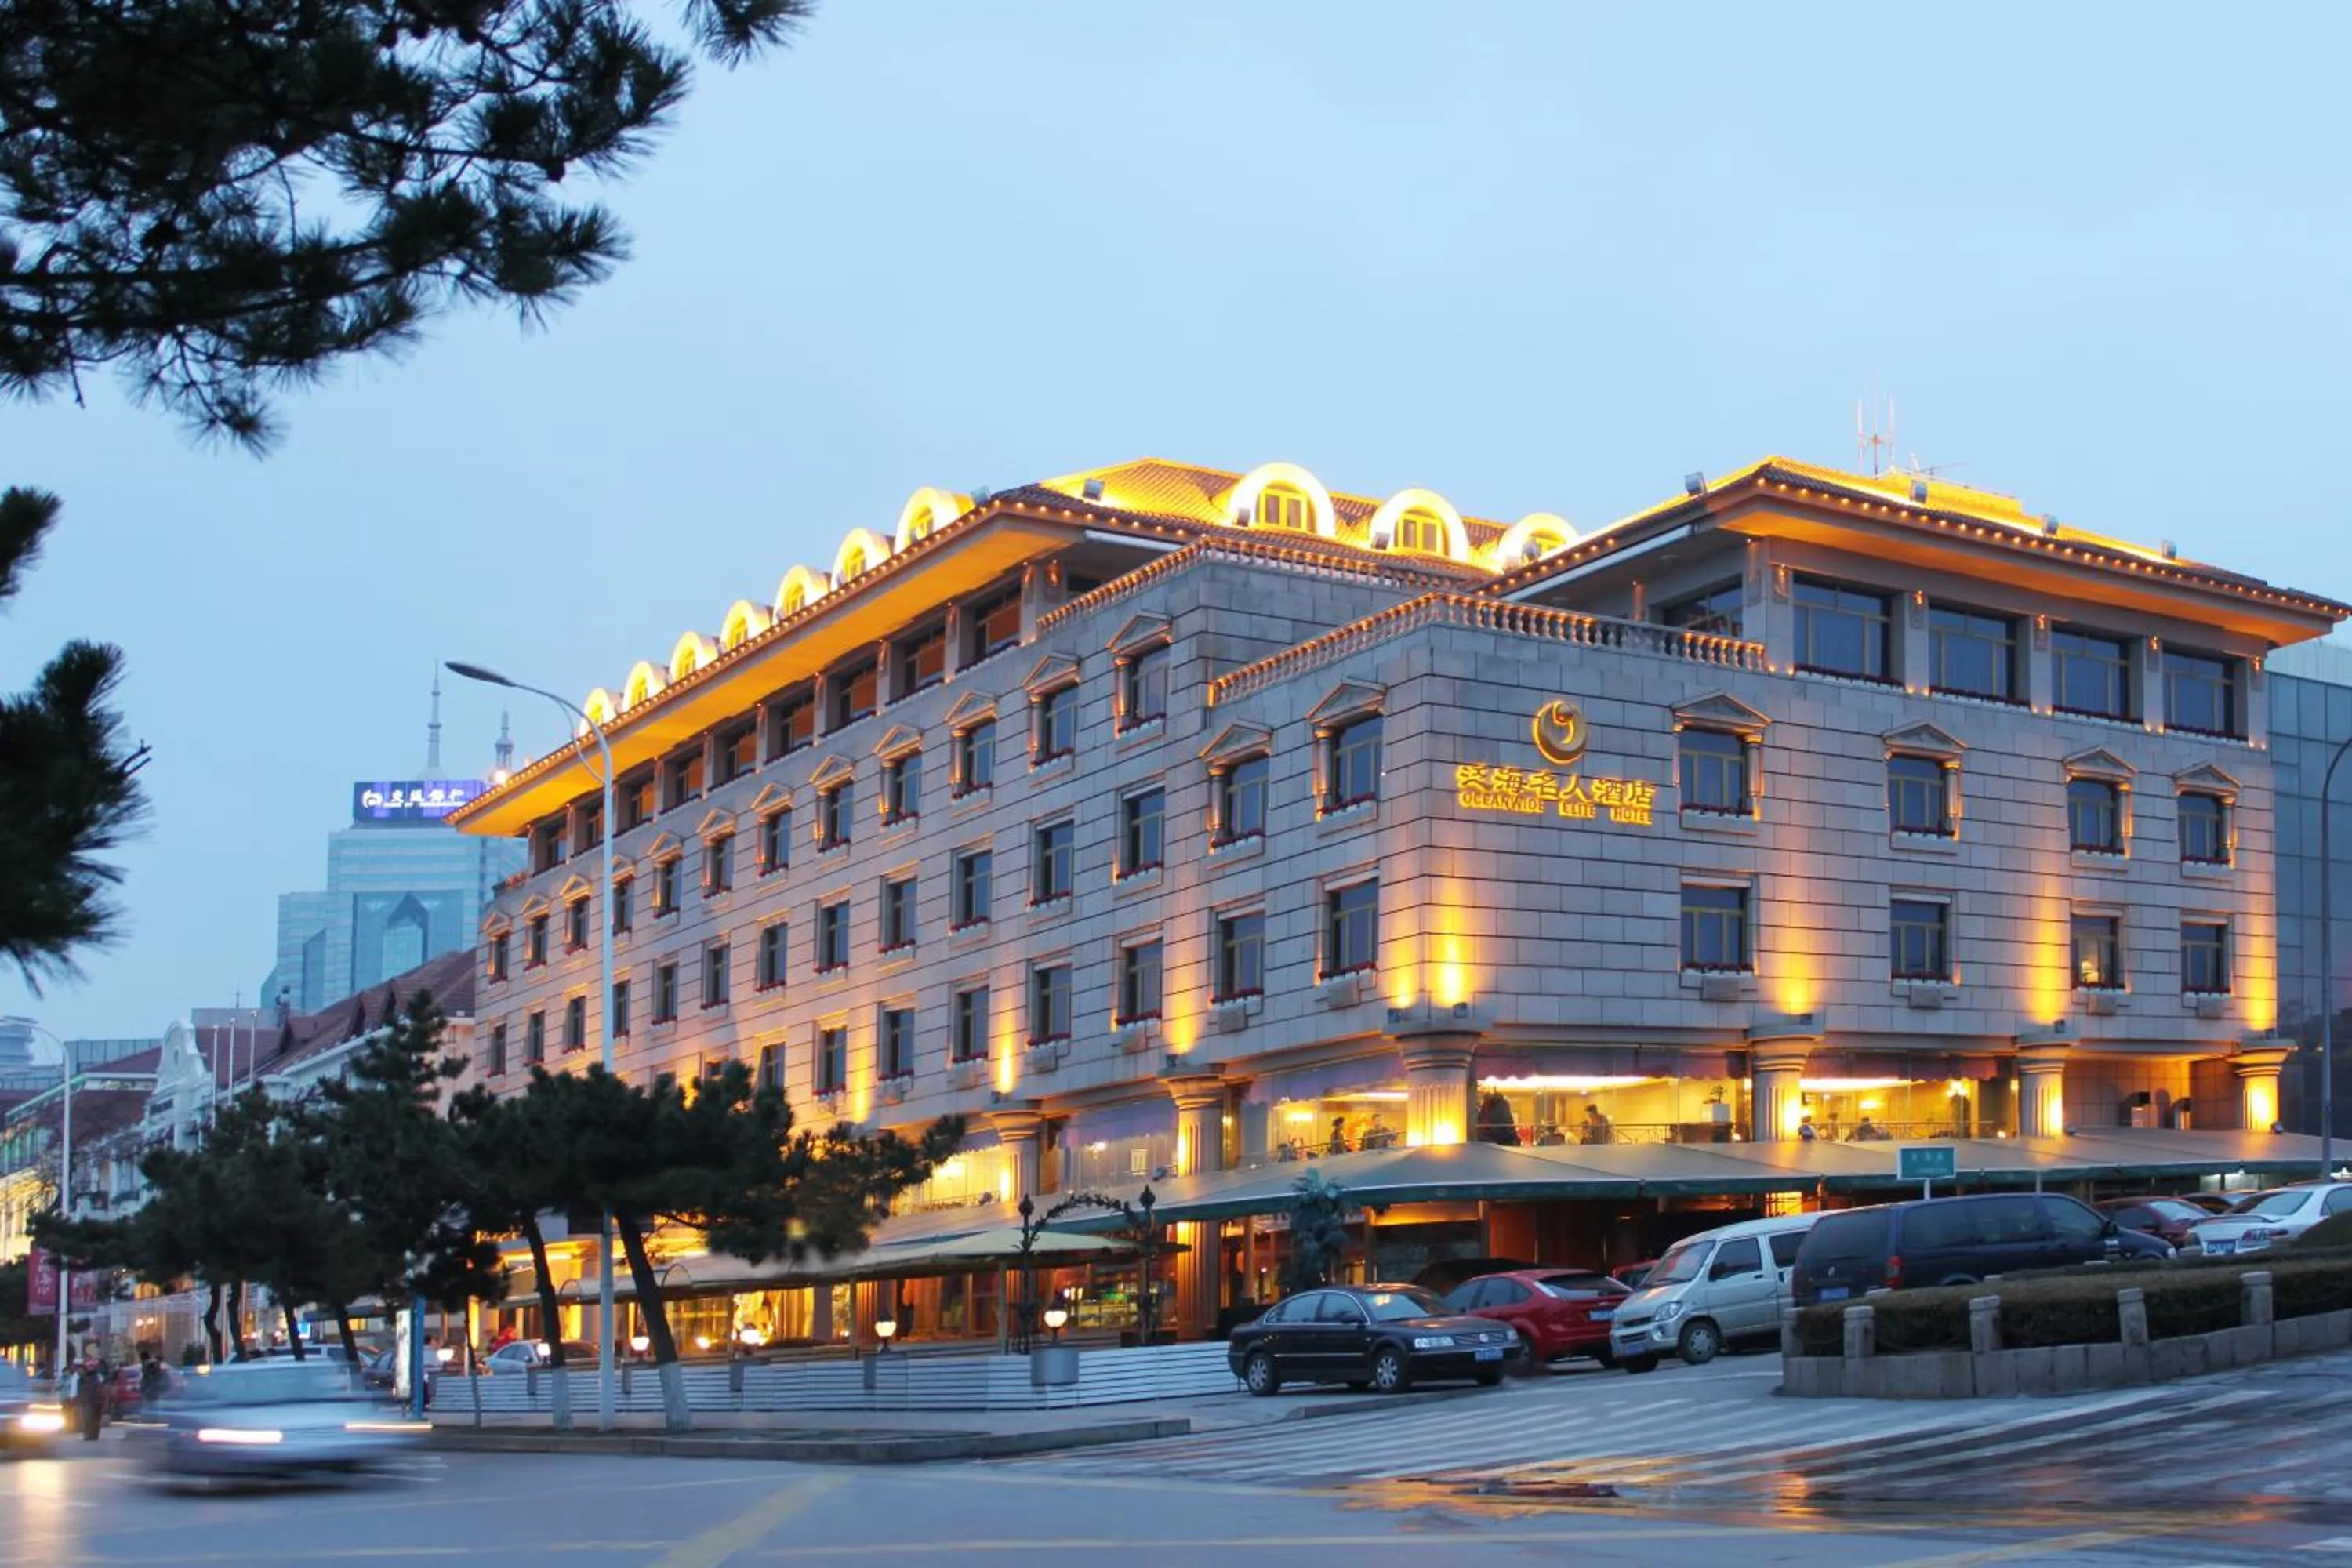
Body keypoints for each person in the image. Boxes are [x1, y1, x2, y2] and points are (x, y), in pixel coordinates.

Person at [74, 1351, 107, 1441]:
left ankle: (93, 1435)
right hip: (88, 1400)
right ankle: (89, 1435)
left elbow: (103, 1387)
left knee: (94, 1419)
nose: (90, 1368)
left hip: (96, 1400)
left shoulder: (98, 1376)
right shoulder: (82, 1376)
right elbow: (78, 1388)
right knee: (88, 1418)